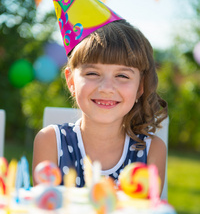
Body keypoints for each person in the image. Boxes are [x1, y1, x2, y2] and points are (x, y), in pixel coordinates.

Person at [32, 18, 168, 194]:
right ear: (71, 81)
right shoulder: (50, 141)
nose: (106, 88)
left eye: (123, 76)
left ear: (140, 87)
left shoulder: (151, 150)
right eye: (92, 73)